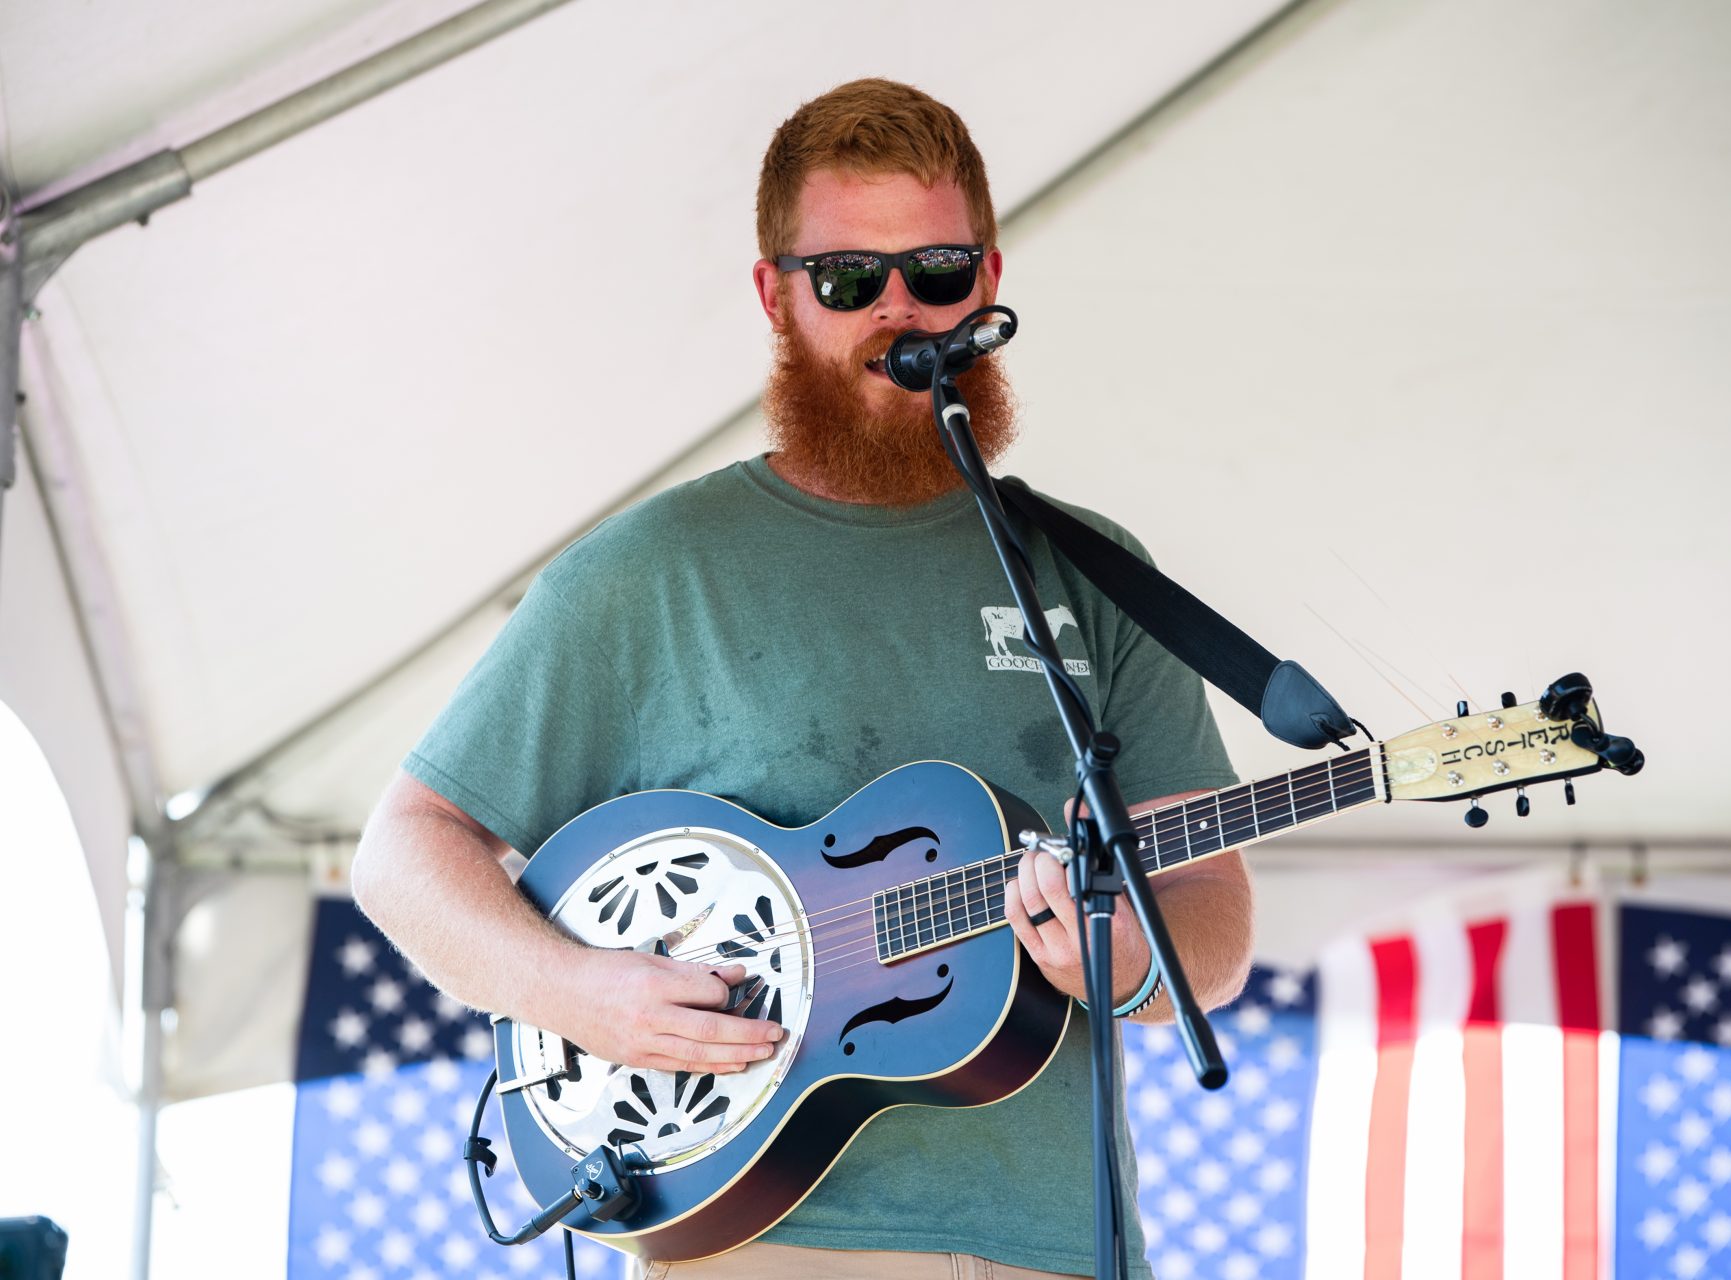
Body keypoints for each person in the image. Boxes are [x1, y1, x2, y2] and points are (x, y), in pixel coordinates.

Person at [352, 78, 1255, 1280]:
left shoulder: (1091, 571)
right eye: (847, 281)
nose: (896, 310)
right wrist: (573, 989)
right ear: (776, 295)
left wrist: (1125, 963)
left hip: (1063, 1238)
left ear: (986, 280)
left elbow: (1212, 916)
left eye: (932, 273)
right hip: (762, 1240)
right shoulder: (650, 572)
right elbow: (405, 850)